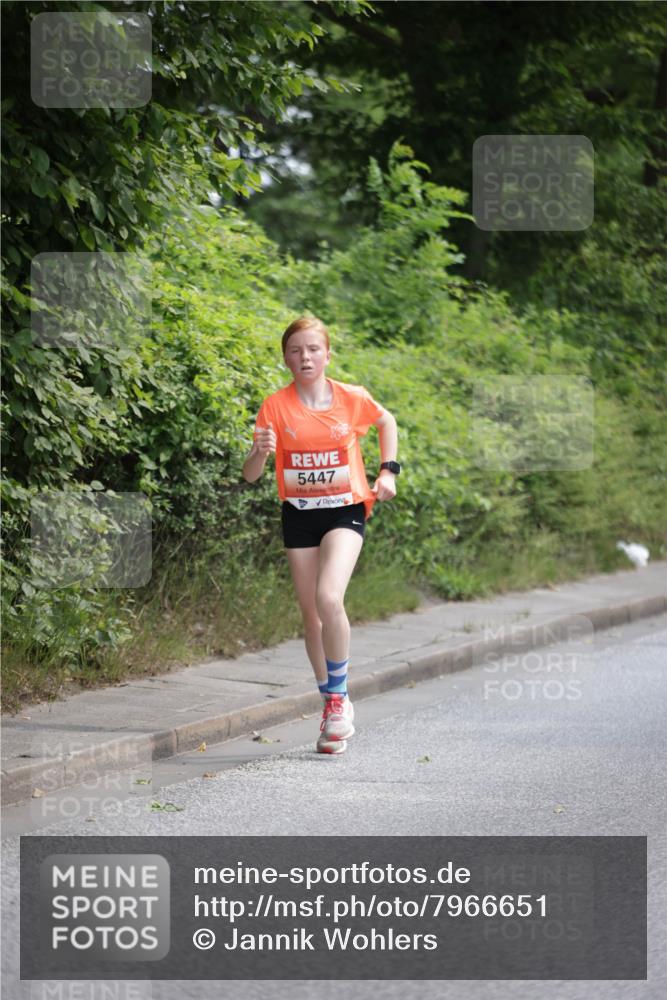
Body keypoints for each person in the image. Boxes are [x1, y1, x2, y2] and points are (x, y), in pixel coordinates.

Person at [242, 316, 399, 755]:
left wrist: (388, 470)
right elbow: (252, 476)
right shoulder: (275, 407)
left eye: (313, 349)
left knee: (330, 597)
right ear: (286, 359)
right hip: (299, 514)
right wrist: (257, 452)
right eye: (295, 350)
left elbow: (387, 423)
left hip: (347, 509)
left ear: (327, 354)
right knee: (311, 614)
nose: (304, 357)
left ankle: (337, 700)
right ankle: (333, 701)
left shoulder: (352, 398)